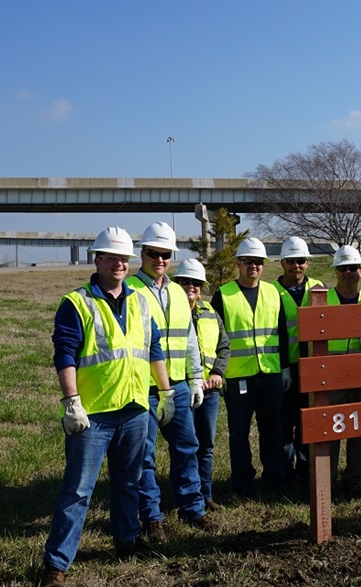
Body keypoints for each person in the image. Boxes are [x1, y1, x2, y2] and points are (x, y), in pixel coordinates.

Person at [39, 227, 175, 587]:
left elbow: (153, 351)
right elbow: (64, 355)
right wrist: (71, 402)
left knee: (129, 483)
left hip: (133, 407)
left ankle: (126, 541)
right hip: (93, 414)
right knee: (78, 491)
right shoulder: (77, 302)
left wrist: (166, 393)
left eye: (124, 258)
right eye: (111, 257)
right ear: (96, 260)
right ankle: (56, 565)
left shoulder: (141, 302)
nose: (119, 264)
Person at [127, 222, 210, 541]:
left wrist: (196, 378)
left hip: (177, 385)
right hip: (142, 387)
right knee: (143, 456)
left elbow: (189, 339)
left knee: (187, 447)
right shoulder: (130, 291)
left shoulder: (178, 292)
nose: (160, 259)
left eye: (165, 254)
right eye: (153, 253)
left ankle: (193, 508)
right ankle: (152, 518)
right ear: (142, 253)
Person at [207, 237, 291, 496]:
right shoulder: (224, 294)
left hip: (270, 373)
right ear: (238, 263)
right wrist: (217, 371)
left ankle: (276, 480)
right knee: (239, 434)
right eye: (248, 262)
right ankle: (242, 483)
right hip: (238, 376)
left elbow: (283, 333)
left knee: (273, 431)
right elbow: (214, 336)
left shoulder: (273, 292)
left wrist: (285, 367)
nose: (253, 266)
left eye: (258, 262)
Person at [173, 258, 229, 510]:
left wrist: (218, 372)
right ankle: (183, 494)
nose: (191, 287)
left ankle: (205, 493)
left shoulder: (210, 312)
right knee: (184, 446)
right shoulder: (169, 312)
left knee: (205, 445)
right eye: (185, 282)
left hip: (209, 390)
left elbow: (224, 346)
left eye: (196, 283)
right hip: (180, 388)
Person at [273, 236, 326, 488]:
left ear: (308, 263)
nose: (297, 266)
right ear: (282, 263)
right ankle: (285, 473)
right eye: (291, 261)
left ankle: (306, 470)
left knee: (308, 424)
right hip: (285, 368)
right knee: (285, 424)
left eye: (301, 261)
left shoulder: (319, 287)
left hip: (313, 368)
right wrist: (283, 366)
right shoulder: (271, 292)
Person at [322, 245, 361, 498]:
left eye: (353, 267)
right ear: (336, 272)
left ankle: (354, 480)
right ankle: (326, 483)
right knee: (330, 431)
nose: (348, 272)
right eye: (343, 268)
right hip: (333, 372)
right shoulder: (322, 299)